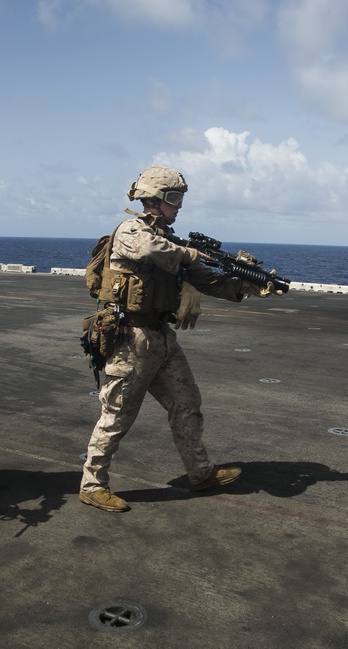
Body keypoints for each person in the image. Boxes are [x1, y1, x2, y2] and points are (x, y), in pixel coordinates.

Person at [80, 166, 279, 512]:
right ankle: (92, 484)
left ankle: (201, 473)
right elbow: (150, 250)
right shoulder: (133, 231)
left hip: (161, 338)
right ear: (153, 200)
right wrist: (189, 253)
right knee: (117, 415)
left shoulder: (173, 243)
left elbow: (208, 281)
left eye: (181, 199)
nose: (179, 206)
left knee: (187, 403)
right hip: (131, 340)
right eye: (174, 199)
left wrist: (249, 284)